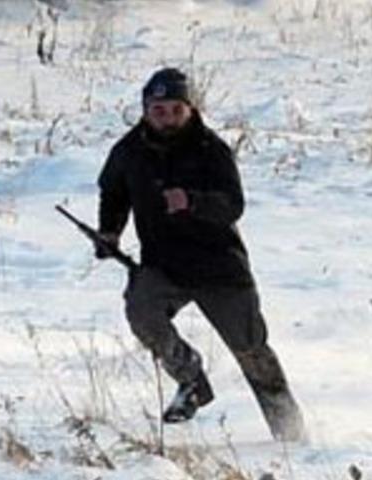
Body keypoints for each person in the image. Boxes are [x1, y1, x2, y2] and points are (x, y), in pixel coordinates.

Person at [95, 67, 305, 441]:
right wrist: (109, 232)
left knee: (251, 350)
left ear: (190, 109)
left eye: (176, 110)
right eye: (159, 110)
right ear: (145, 110)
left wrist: (192, 202)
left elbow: (233, 205)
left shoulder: (211, 150)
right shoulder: (128, 152)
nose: (167, 118)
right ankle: (191, 380)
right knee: (142, 311)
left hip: (219, 268)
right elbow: (114, 192)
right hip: (164, 266)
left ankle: (290, 434)